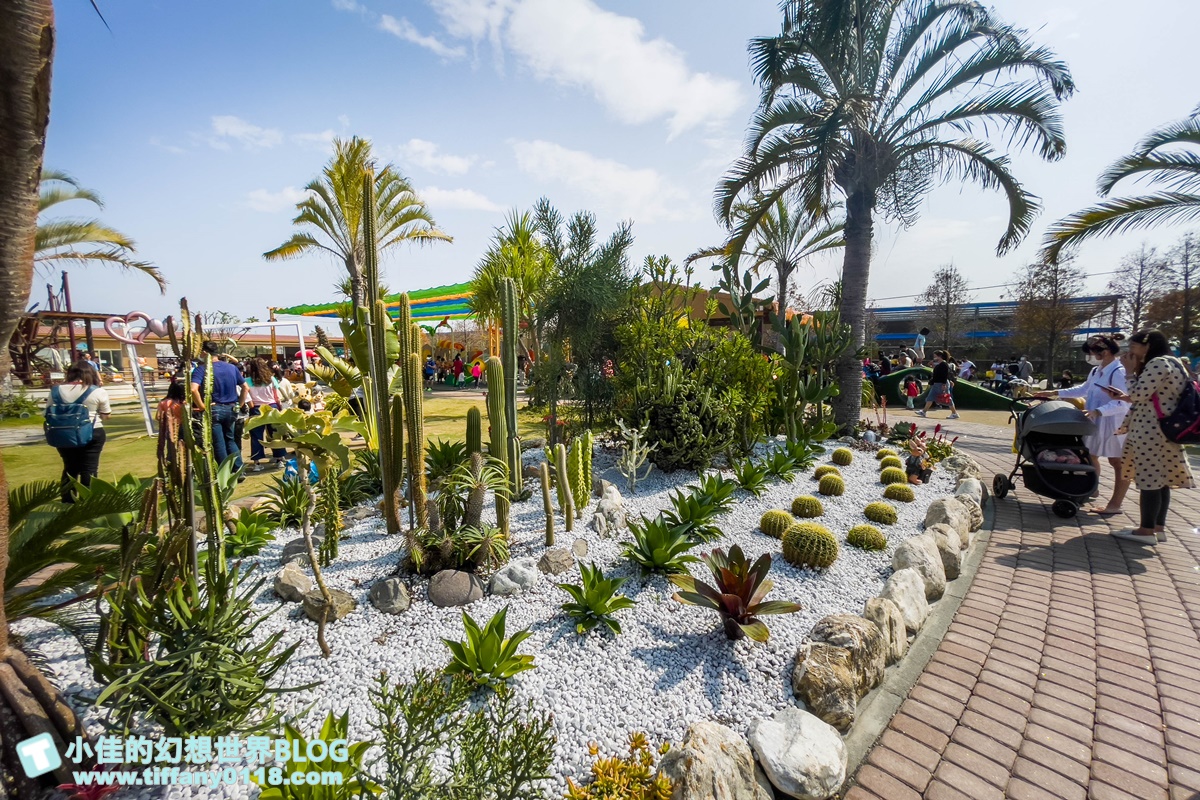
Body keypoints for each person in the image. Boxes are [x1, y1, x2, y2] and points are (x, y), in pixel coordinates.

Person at [1105, 329, 1195, 544]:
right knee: (1162, 479)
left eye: (1134, 346)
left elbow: (1138, 394)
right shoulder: (1174, 362)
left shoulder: (1157, 363)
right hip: (1165, 429)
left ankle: (1146, 531)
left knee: (1149, 479)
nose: (1130, 352)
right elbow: (1153, 395)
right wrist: (1125, 396)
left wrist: (1129, 372)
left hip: (1150, 431)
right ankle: (1157, 527)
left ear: (1148, 346)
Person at [1034, 335, 1131, 515]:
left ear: (1105, 352)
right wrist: (1055, 392)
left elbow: (1123, 402)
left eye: (1092, 352)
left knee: (1118, 462)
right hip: (1094, 420)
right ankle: (1091, 488)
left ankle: (1115, 504)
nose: (1091, 356)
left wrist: (1099, 411)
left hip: (1113, 422)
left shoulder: (1118, 372)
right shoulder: (1096, 370)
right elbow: (1084, 389)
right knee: (1090, 455)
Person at [49, 363, 112, 502]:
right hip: (92, 431)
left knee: (69, 467)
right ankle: (88, 501)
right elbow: (106, 415)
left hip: (63, 432)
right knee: (89, 468)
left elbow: (48, 411)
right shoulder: (97, 391)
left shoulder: (56, 390)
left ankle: (68, 500)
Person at [190, 340, 248, 473]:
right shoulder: (231, 368)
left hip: (214, 408)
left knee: (218, 442)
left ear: (204, 353)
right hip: (231, 408)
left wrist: (202, 407)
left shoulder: (201, 369)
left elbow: (193, 389)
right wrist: (239, 404)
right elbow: (245, 387)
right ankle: (239, 470)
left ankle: (225, 472)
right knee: (230, 439)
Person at [246, 357, 286, 471]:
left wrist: (251, 406)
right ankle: (279, 459)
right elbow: (276, 396)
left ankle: (257, 463)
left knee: (256, 436)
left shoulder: (247, 381)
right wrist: (279, 407)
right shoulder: (271, 379)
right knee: (275, 434)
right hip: (271, 407)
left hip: (256, 408)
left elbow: (248, 397)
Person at [916, 350, 959, 419]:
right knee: (930, 397)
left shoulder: (943, 364)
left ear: (939, 356)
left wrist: (944, 384)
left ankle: (954, 413)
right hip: (937, 383)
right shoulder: (940, 364)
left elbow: (945, 375)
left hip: (941, 383)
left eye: (935, 356)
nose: (934, 358)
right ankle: (923, 411)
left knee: (947, 398)